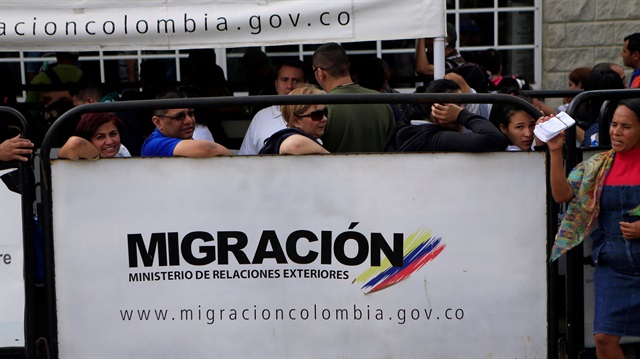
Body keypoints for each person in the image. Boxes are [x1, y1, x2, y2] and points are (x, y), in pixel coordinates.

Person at [546, 98, 640, 359]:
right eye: (613, 124)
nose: (616, 132)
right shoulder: (598, 165)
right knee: (603, 339)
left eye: (626, 126)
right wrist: (555, 151)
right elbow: (562, 194)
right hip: (613, 264)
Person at [312, 43, 395, 153]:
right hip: (377, 168)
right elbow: (392, 145)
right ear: (348, 66)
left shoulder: (322, 106)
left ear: (320, 73)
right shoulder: (381, 101)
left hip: (337, 169)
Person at [385, 79, 506, 152]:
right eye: (457, 106)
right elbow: (494, 138)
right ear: (438, 109)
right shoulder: (434, 138)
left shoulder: (414, 130)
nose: (462, 109)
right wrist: (461, 115)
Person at [239, 60, 306, 155]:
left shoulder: (317, 115)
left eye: (296, 80)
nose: (289, 86)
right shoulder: (261, 117)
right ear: (276, 84)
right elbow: (245, 157)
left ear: (306, 85)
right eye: (284, 80)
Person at [141, 91, 232, 157]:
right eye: (179, 116)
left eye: (191, 113)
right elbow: (205, 147)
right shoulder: (154, 144)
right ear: (158, 122)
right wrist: (233, 158)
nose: (189, 121)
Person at [259, 84, 329, 155]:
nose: (324, 119)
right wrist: (331, 157)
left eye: (325, 112)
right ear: (295, 121)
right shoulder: (287, 136)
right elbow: (294, 145)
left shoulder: (313, 140)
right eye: (317, 115)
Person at [58, 112, 130, 160]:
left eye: (113, 134)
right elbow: (75, 143)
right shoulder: (79, 156)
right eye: (100, 137)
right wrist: (97, 157)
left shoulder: (122, 150)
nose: (110, 141)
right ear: (87, 139)